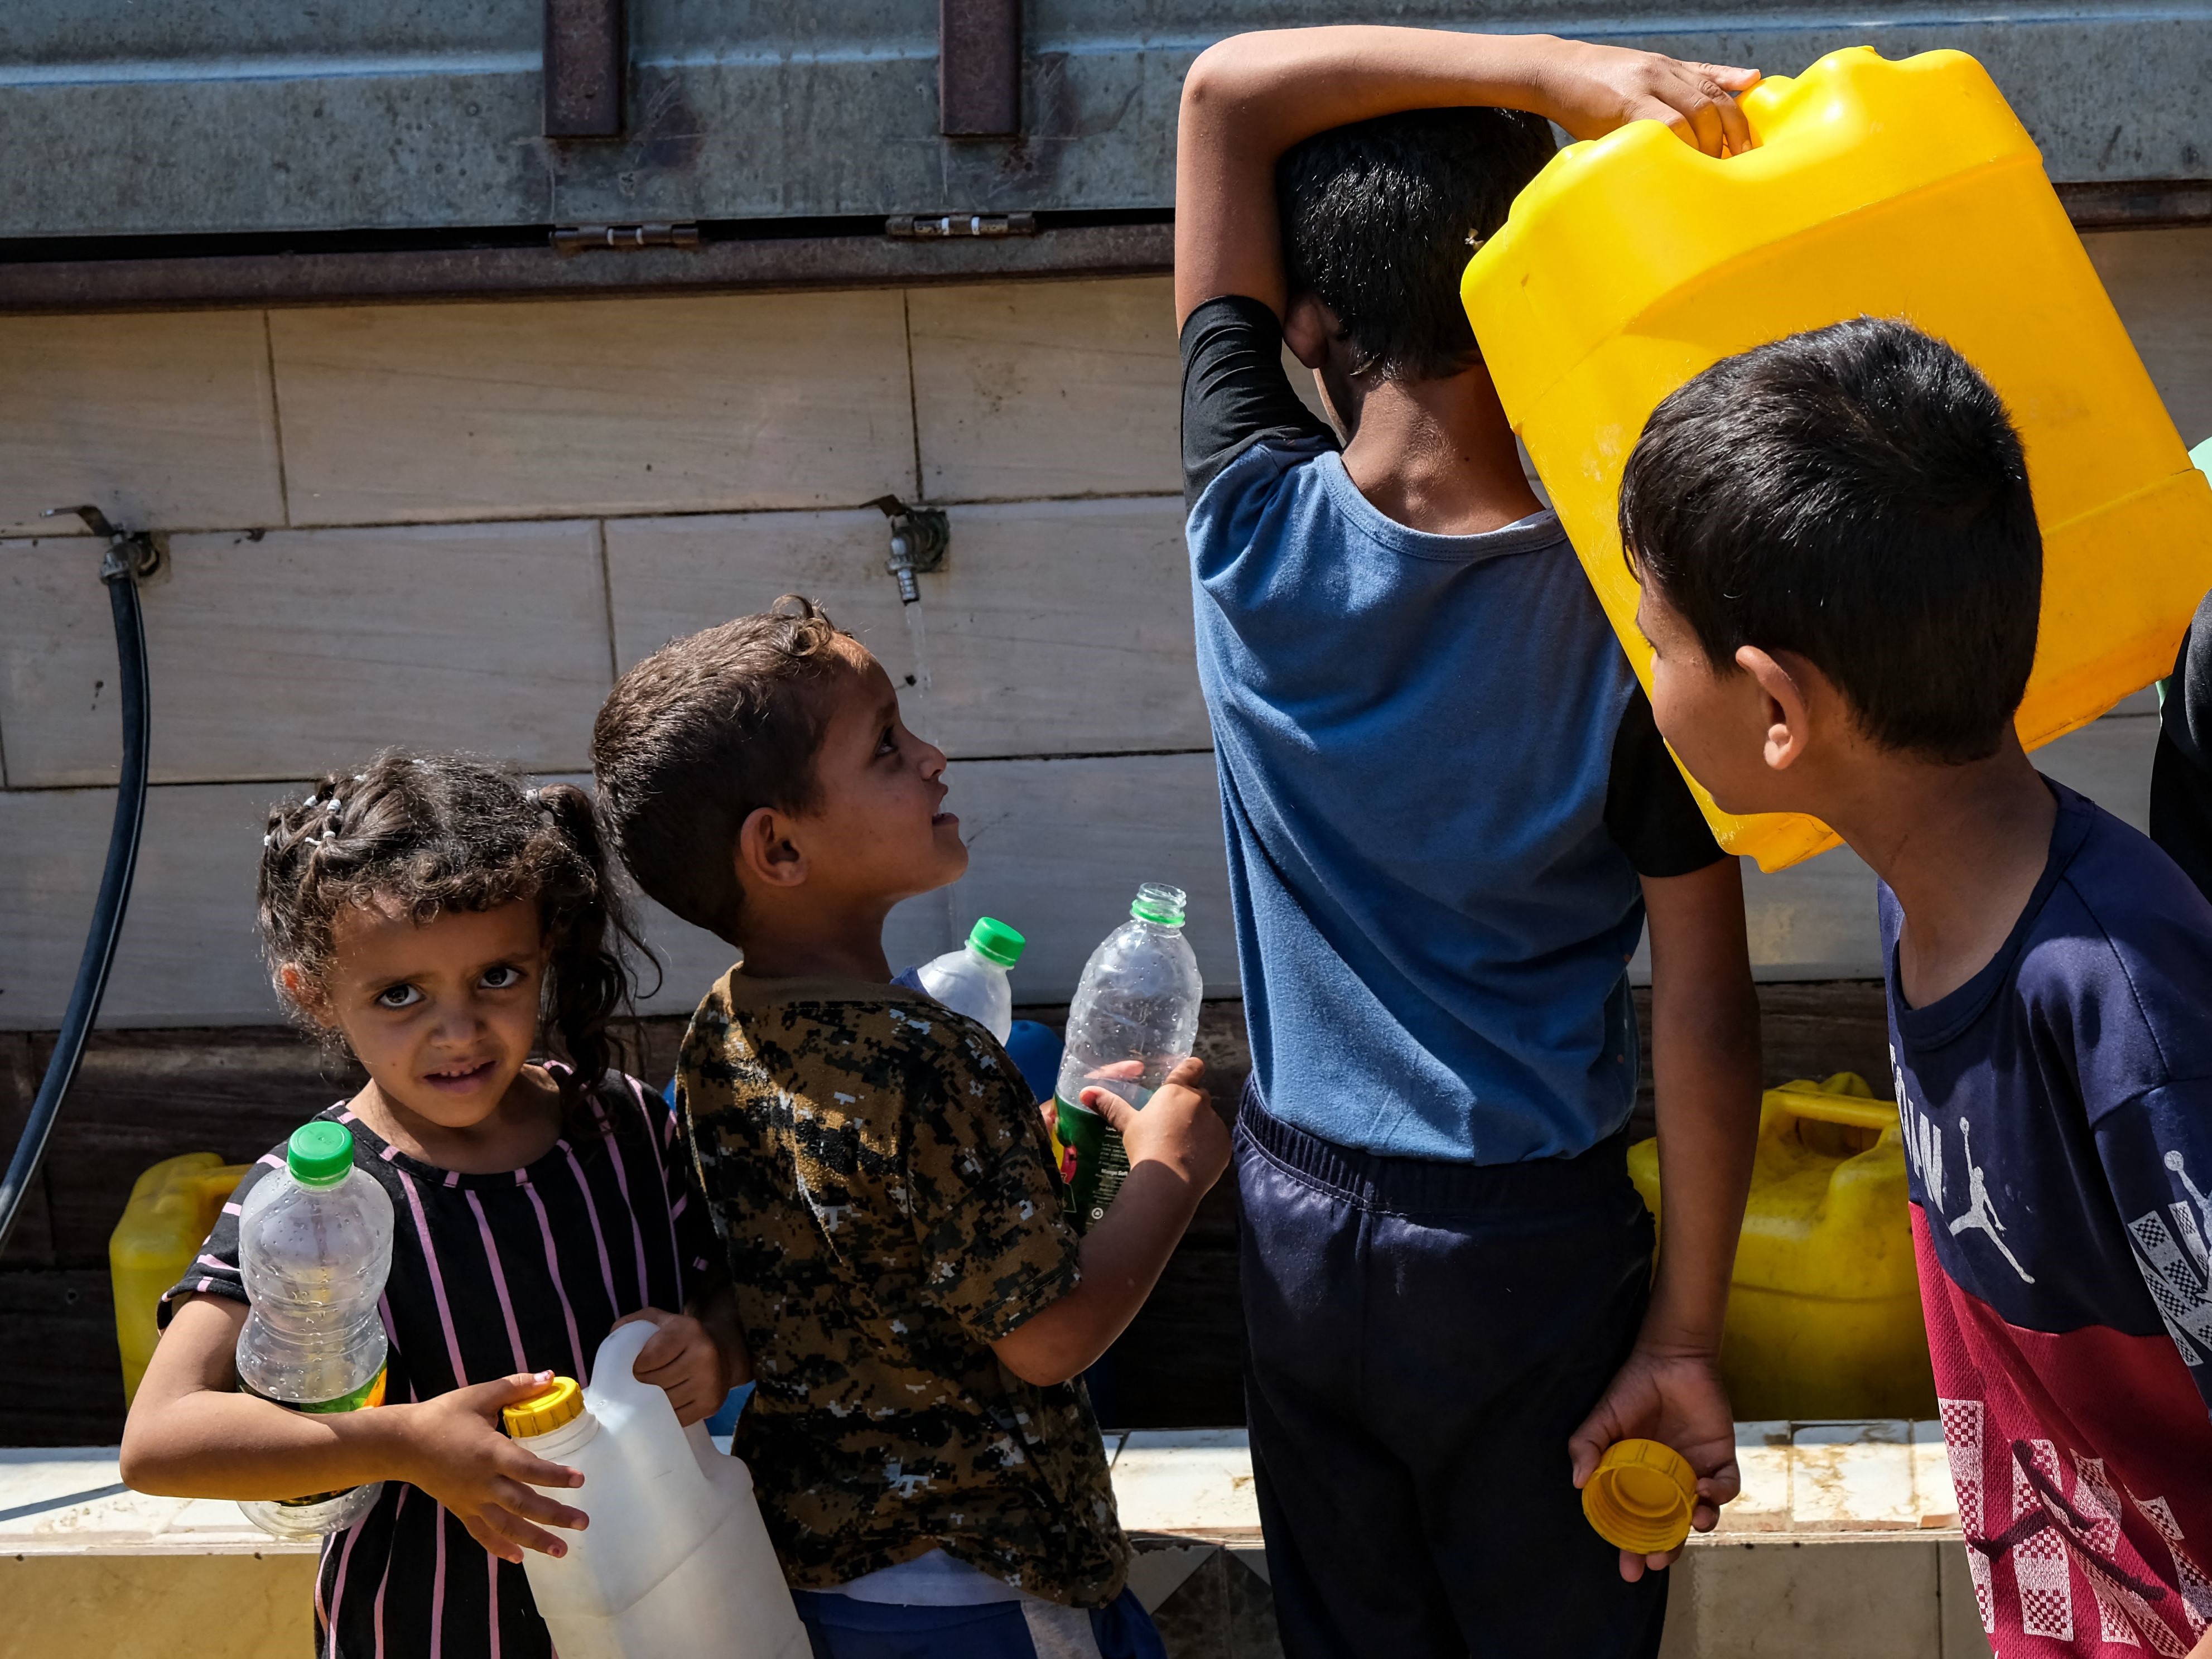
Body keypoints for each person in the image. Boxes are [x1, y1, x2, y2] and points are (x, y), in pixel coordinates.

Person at [1173, 27, 1766, 1657]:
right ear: (1533, 301)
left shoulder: (1241, 520)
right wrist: (1685, 1329)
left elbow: (1225, 90)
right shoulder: (1639, 626)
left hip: (1295, 1222)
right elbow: (1703, 1005)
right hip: (1528, 1252)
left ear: (1302, 324)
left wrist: (1552, 71)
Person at [1622, 316, 2212, 1658]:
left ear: (1779, 711)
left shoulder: (2122, 1008)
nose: (1646, 683)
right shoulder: (1927, 892)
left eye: (1658, 642)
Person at [589, 600, 1228, 1659]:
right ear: (779, 846)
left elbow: (858, 1230)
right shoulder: (931, 1056)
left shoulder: (721, 1028)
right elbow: (1048, 1338)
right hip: (988, 1587)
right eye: (887, 744)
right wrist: (1170, 1170)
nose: (933, 759)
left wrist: (1013, 1146)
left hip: (822, 1576)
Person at [119, 751, 738, 1657]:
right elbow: (162, 1437)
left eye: (498, 976)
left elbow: (744, 1292)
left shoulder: (631, 1129)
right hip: (426, 1630)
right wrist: (404, 1441)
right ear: (316, 995)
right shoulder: (306, 1198)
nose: (458, 1032)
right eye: (400, 994)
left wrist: (716, 1346)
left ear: (547, 954)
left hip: (661, 1615)